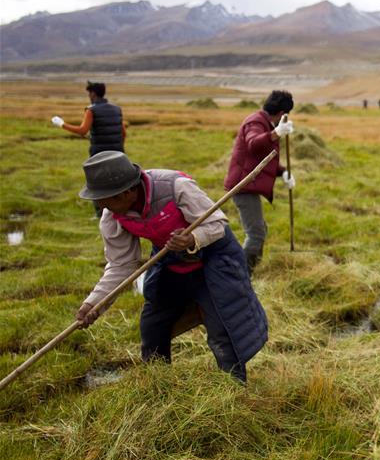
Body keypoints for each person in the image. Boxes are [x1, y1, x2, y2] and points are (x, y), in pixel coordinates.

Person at [74, 151, 268, 382]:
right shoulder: (112, 216)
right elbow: (121, 265)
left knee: (223, 329)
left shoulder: (175, 187)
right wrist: (95, 303)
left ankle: (234, 388)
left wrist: (192, 238)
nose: (100, 206)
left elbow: (217, 225)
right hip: (171, 261)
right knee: (152, 327)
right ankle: (158, 385)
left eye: (104, 199)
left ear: (126, 192)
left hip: (214, 258)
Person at [225, 90, 295, 274]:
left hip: (248, 185)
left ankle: (253, 269)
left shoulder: (263, 122)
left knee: (259, 229)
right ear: (281, 114)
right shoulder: (256, 122)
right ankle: (240, 274)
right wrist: (276, 133)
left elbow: (264, 157)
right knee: (255, 234)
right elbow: (254, 144)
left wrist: (284, 172)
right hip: (242, 186)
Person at [51, 81, 126, 156]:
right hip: (118, 153)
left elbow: (82, 131)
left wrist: (62, 124)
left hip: (99, 154)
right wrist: (118, 148)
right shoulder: (117, 109)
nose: (89, 96)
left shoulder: (91, 110)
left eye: (89, 93)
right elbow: (123, 133)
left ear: (93, 94)